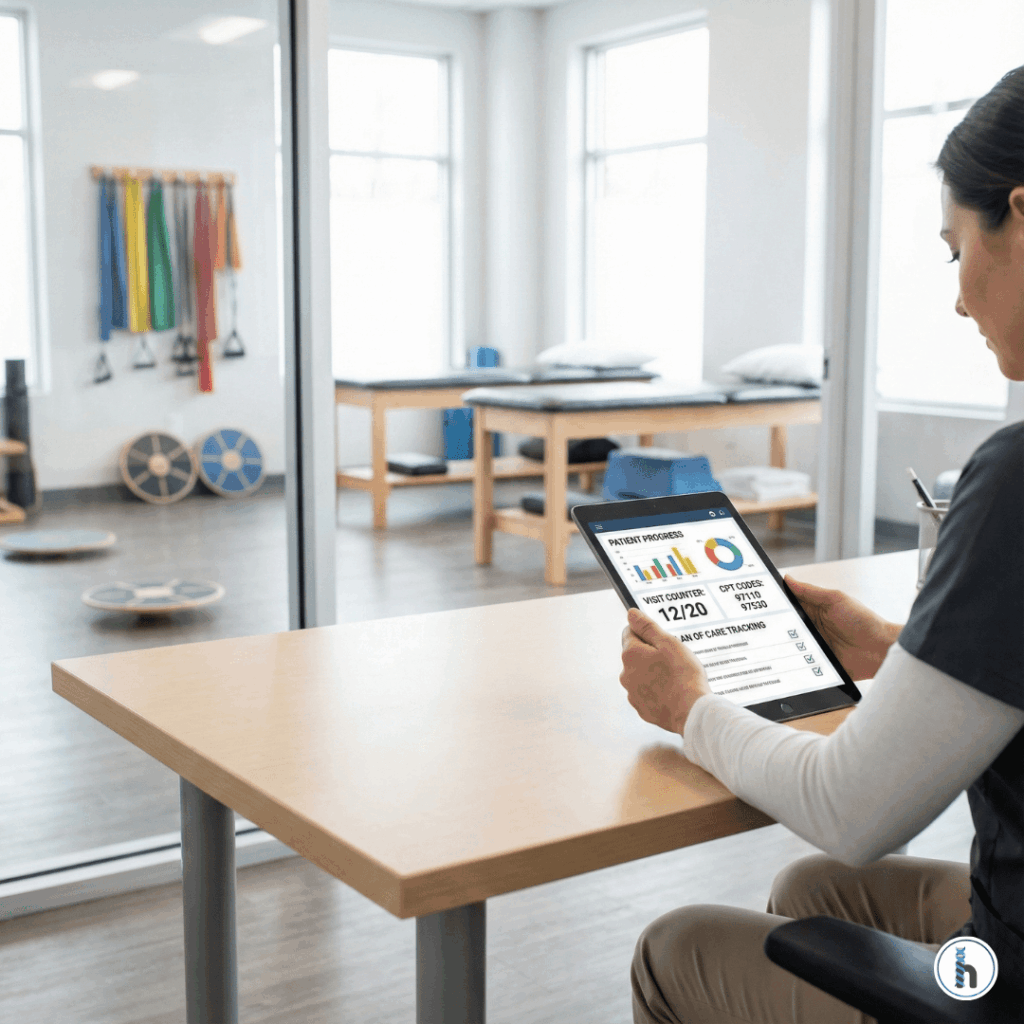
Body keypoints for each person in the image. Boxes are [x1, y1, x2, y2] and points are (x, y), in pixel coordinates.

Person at [621, 65, 1024, 1024]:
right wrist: (895, 652)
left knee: (674, 948)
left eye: (955, 248)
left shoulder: (1016, 481)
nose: (961, 299)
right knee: (815, 892)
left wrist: (688, 706)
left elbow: (855, 810)